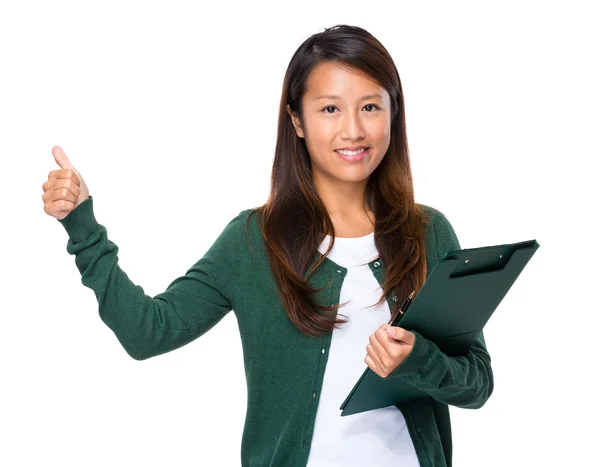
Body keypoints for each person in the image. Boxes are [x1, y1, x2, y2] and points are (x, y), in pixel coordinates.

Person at [42, 24, 493, 467]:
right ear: (296, 119)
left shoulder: (427, 232)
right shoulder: (254, 240)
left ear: (393, 112)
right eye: (330, 109)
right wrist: (83, 227)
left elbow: (477, 384)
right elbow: (147, 333)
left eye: (371, 106)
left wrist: (420, 359)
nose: (353, 130)